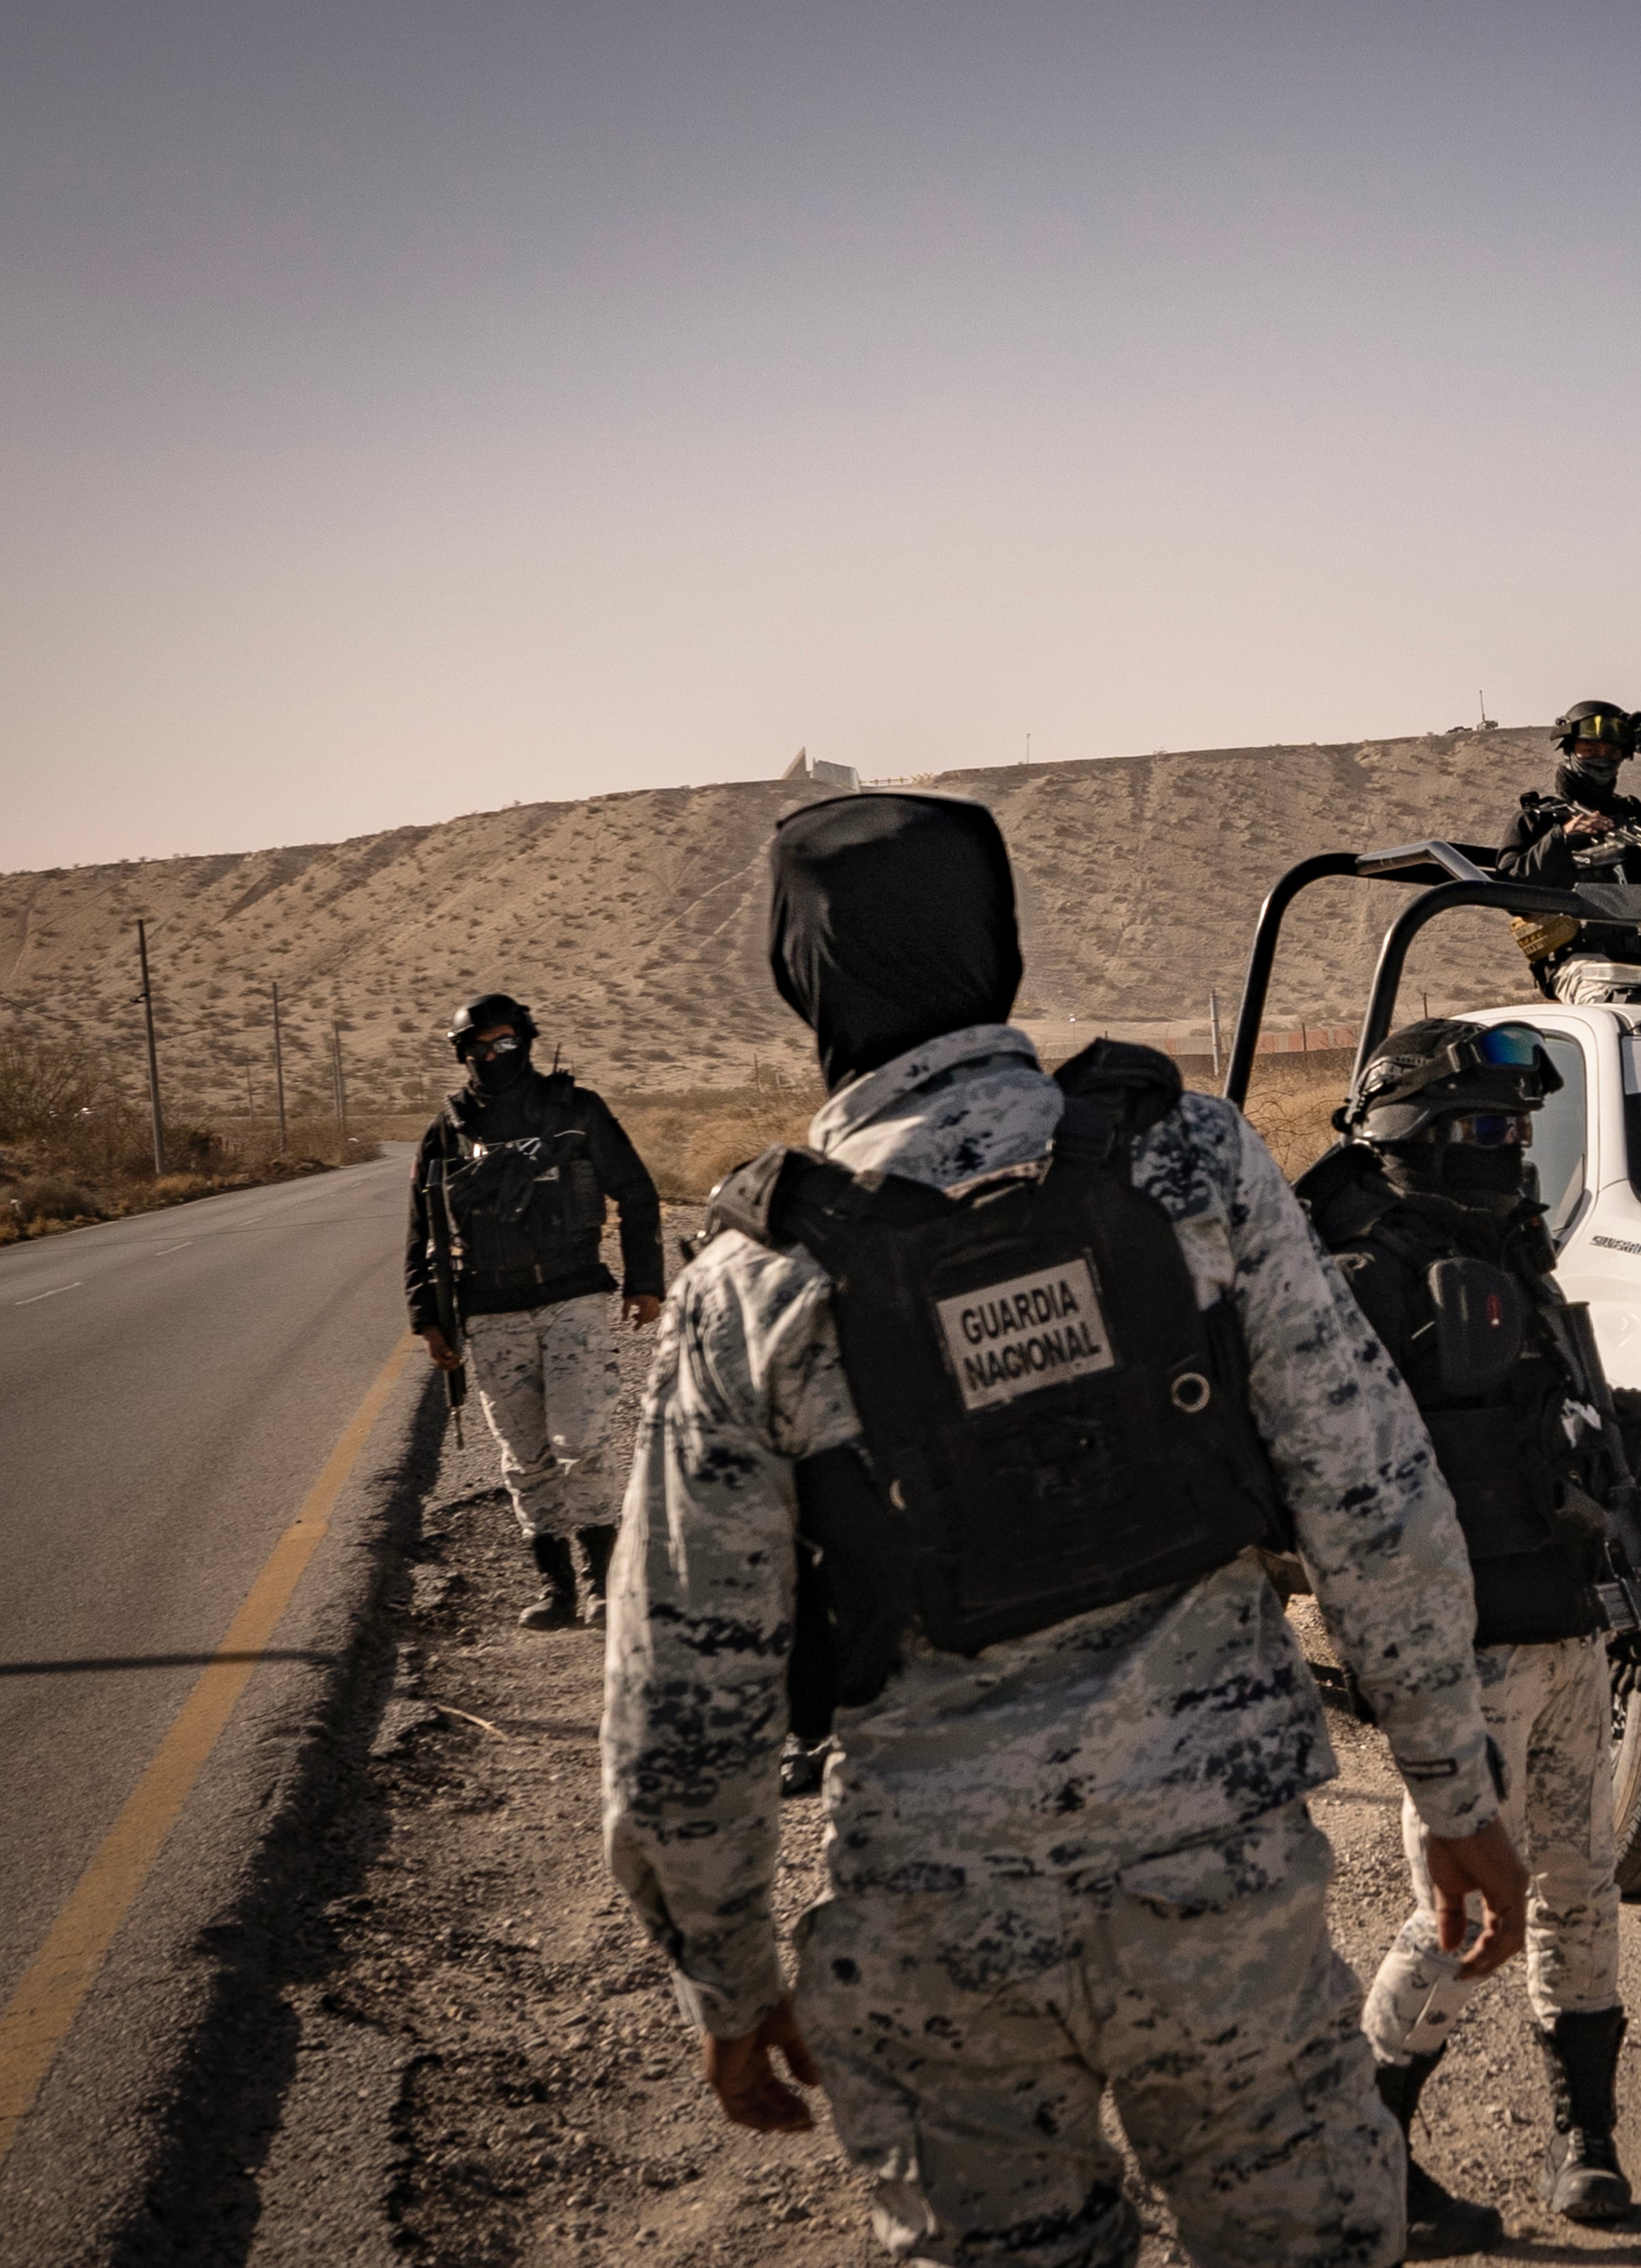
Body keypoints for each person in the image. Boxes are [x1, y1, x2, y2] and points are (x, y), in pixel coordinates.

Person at [601, 791, 1533, 2268]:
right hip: (1217, 1899)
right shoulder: (1195, 1166)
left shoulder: (748, 1288)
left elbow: (680, 1707)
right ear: (1000, 947)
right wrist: (1451, 1786)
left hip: (935, 1931)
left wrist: (724, 1980)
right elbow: (1374, 1494)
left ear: (803, 978)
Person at [1297, 1019, 1638, 2252]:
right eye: (1484, 1129)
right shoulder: (1367, 1273)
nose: (1508, 1151)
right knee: (1459, 1919)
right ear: (1412, 1130)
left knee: (1582, 1887)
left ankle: (1586, 2134)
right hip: (1464, 1653)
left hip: (1565, 1623)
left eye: (1517, 1129)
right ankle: (1364, 2148)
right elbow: (1334, 1478)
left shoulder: (1512, 1256)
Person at [404, 992, 664, 1629]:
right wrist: (427, 1317)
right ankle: (556, 1590)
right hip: (491, 1310)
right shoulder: (449, 1129)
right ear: (462, 1054)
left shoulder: (576, 1111)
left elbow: (635, 1192)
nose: (492, 1057)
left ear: (527, 1039)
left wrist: (645, 1281)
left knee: (583, 1442)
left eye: (505, 1044)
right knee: (525, 1455)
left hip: (574, 1294)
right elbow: (422, 1228)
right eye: (478, 1048)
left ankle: (603, 1583)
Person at [1497, 702, 1641, 1004]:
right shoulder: (1536, 821)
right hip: (1584, 965)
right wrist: (1562, 839)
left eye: (1612, 751)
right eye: (1590, 748)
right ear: (1569, 748)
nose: (1601, 757)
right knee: (1614, 1009)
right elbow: (1510, 889)